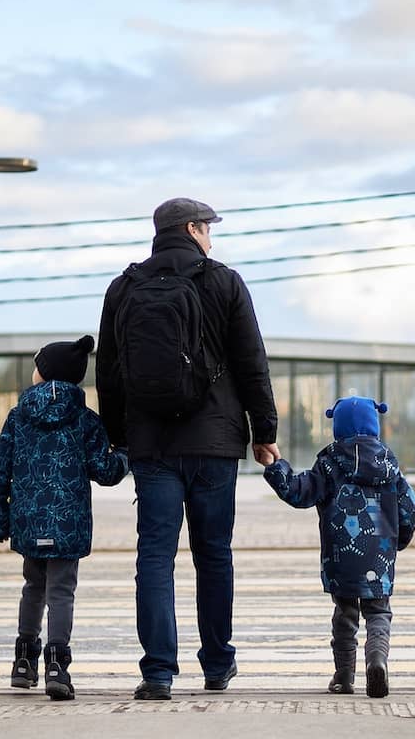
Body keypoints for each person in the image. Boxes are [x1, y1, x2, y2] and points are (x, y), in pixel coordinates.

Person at [95, 197, 279, 701]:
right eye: (209, 229)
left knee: (154, 557)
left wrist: (118, 438)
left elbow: (108, 373)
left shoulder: (124, 287)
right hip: (216, 444)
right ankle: (217, 664)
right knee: (213, 554)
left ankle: (158, 672)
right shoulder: (224, 282)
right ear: (193, 229)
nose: (212, 238)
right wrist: (264, 432)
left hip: (151, 446)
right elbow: (251, 363)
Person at [0, 336, 128, 701]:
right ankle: (56, 667)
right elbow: (105, 470)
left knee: (33, 587)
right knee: (61, 592)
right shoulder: (84, 420)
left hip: (29, 522)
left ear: (45, 373)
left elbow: (0, 470)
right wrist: (125, 454)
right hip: (68, 523)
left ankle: (22, 661)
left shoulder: (18, 416)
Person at [263, 396, 415, 698]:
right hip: (379, 558)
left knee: (345, 615)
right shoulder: (389, 466)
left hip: (341, 556)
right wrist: (397, 542)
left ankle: (344, 676)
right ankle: (377, 661)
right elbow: (411, 509)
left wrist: (276, 466)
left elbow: (298, 492)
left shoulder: (328, 464)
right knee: (378, 613)